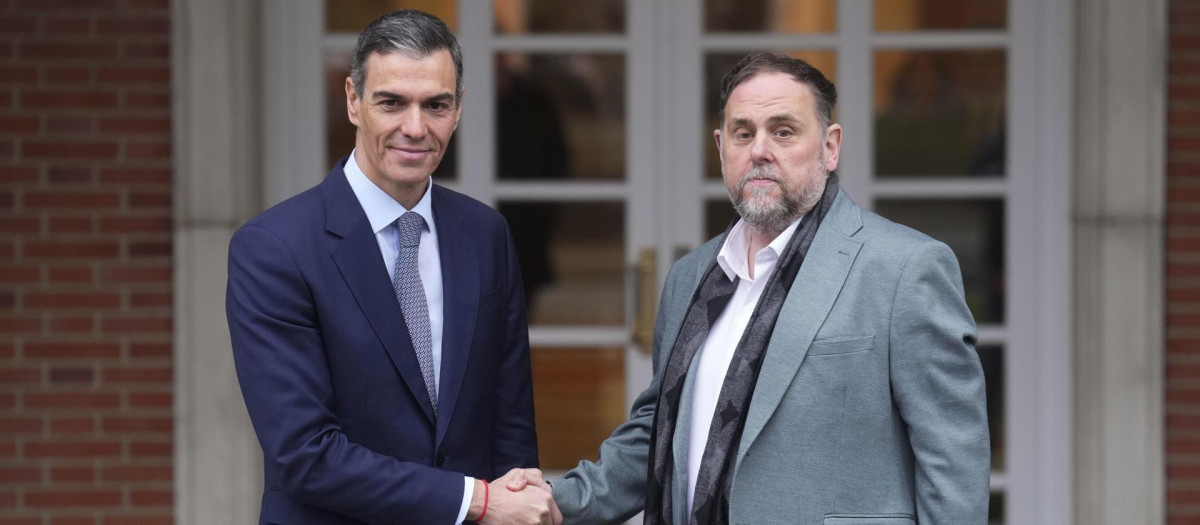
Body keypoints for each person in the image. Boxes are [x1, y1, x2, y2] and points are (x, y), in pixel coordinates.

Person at [510, 52, 990, 523]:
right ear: (722, 148)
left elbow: (953, 465)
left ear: (830, 146)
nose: (760, 150)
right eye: (744, 133)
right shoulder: (691, 277)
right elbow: (657, 435)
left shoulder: (905, 268)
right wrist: (556, 500)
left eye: (783, 131)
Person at [226, 10, 559, 524]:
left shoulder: (485, 234)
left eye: (436, 105)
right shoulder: (275, 249)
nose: (415, 127)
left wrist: (515, 499)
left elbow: (509, 422)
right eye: (392, 102)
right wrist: (478, 502)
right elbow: (303, 454)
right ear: (353, 101)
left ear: (460, 108)